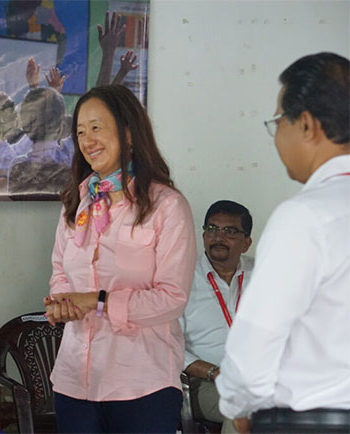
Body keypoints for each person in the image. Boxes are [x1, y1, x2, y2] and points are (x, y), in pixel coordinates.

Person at [44, 84, 197, 433]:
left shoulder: (166, 206)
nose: (87, 140)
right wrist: (64, 301)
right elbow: (59, 272)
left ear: (128, 133)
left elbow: (172, 298)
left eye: (96, 127)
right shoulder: (76, 204)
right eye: (80, 132)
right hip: (74, 381)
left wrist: (98, 302)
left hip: (141, 383)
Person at [216, 52, 350, 433]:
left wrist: (238, 406)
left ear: (306, 125)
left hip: (310, 422)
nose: (276, 136)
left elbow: (257, 338)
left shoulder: (305, 217)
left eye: (278, 121)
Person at [180, 200, 254, 433]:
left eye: (230, 231)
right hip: (207, 382)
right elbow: (168, 345)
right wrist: (214, 372)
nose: (218, 237)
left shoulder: (264, 273)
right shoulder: (181, 279)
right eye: (212, 229)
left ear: (246, 243)